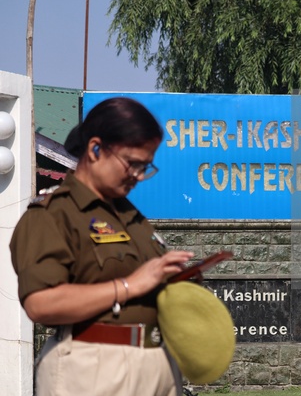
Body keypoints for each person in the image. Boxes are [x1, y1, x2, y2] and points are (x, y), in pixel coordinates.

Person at [10, 97, 193, 396]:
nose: (138, 176)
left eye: (146, 167)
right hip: (93, 367)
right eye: (133, 163)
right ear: (95, 149)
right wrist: (129, 286)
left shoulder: (130, 217)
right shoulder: (53, 214)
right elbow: (40, 303)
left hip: (157, 364)